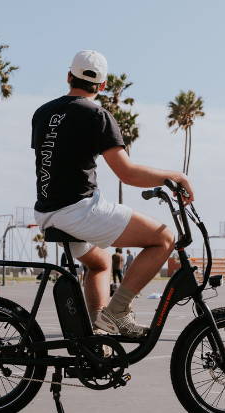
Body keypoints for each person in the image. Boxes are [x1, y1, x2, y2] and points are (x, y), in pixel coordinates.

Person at [32, 50, 193, 338]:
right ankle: (117, 311)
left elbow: (52, 163)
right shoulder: (97, 115)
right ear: (103, 86)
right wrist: (174, 176)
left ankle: (98, 334)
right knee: (164, 238)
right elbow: (127, 173)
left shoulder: (42, 113)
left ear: (69, 76)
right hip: (78, 210)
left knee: (101, 262)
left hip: (47, 211)